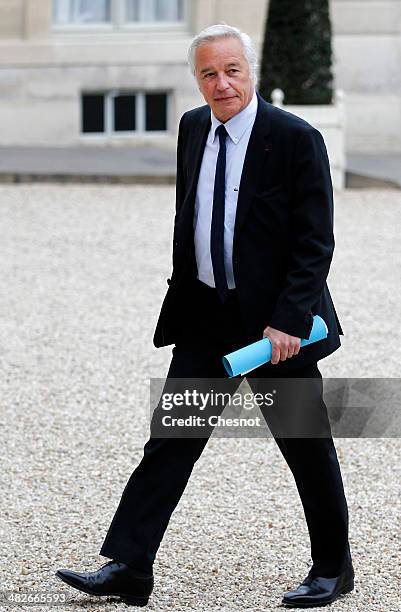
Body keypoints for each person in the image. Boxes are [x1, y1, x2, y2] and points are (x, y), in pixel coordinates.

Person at [56, 24, 354, 608]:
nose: (222, 85)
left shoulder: (295, 138)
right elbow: (191, 215)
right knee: (170, 441)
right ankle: (129, 567)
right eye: (209, 74)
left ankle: (332, 570)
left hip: (276, 330)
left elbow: (315, 242)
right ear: (197, 79)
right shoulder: (193, 126)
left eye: (232, 71)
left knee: (305, 444)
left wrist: (290, 319)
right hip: (206, 315)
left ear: (252, 71)